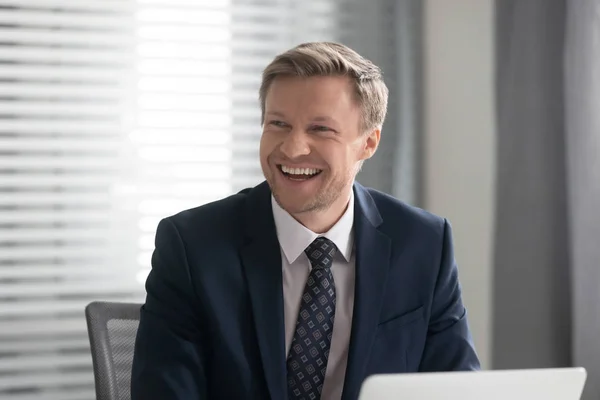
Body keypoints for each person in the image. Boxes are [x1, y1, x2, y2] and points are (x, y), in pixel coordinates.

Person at [131, 41, 480, 400]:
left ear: (368, 143)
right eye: (278, 124)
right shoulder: (193, 246)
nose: (293, 148)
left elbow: (456, 388)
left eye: (320, 129)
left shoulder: (424, 244)